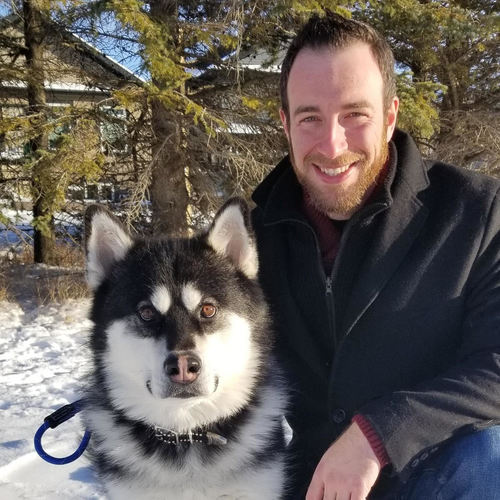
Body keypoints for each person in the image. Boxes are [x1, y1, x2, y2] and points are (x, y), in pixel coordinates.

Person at [251, 10, 500, 500]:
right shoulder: (254, 236)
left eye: (354, 115)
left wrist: (378, 435)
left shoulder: (475, 213)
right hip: (312, 484)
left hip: (438, 473)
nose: (332, 143)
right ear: (285, 124)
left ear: (389, 116)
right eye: (310, 118)